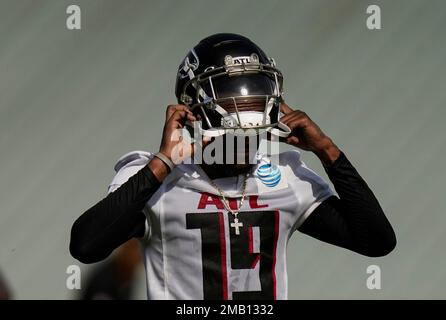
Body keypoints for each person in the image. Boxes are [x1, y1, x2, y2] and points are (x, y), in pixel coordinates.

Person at [70, 33, 396, 300]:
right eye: (234, 104)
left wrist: (327, 150)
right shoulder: (156, 179)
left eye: (254, 101)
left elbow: (376, 241)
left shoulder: (284, 176)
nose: (247, 116)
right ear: (194, 109)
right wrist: (163, 163)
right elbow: (86, 245)